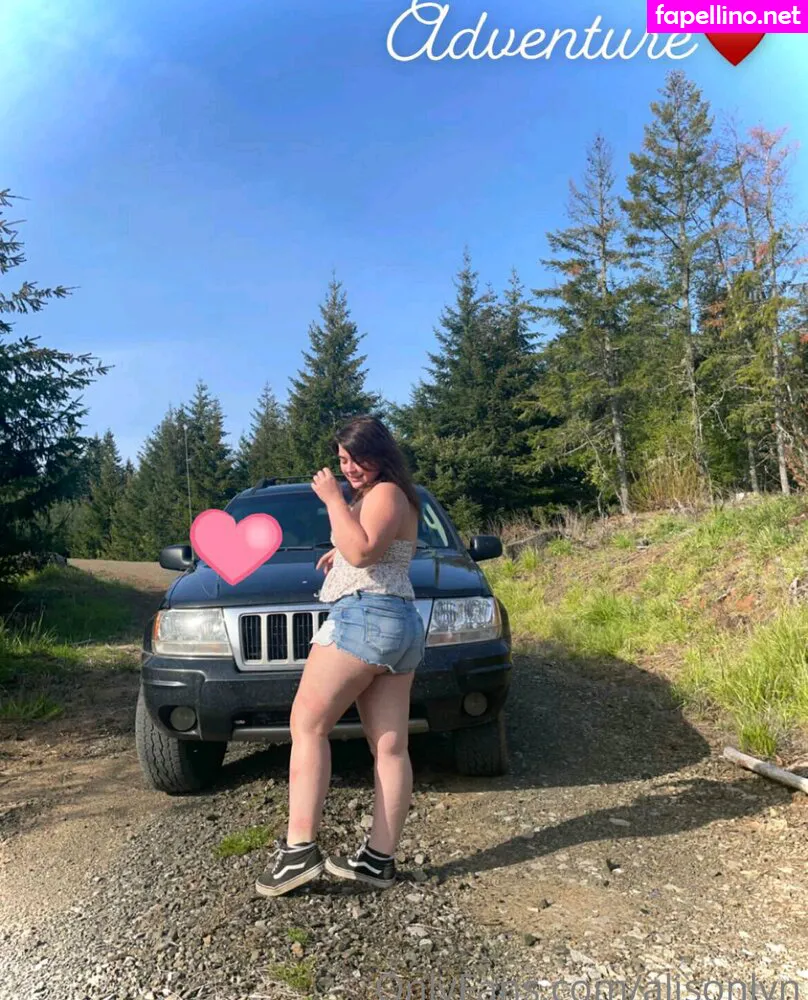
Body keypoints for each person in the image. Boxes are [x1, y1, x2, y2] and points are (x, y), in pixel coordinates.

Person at [255, 415, 425, 897]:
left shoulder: (385, 492)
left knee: (307, 725)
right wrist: (341, 554)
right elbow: (372, 548)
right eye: (343, 460)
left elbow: (366, 551)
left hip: (366, 616)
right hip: (399, 622)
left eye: (358, 458)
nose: (349, 468)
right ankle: (377, 860)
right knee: (390, 747)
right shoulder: (390, 495)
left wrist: (332, 500)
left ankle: (299, 851)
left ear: (381, 454)